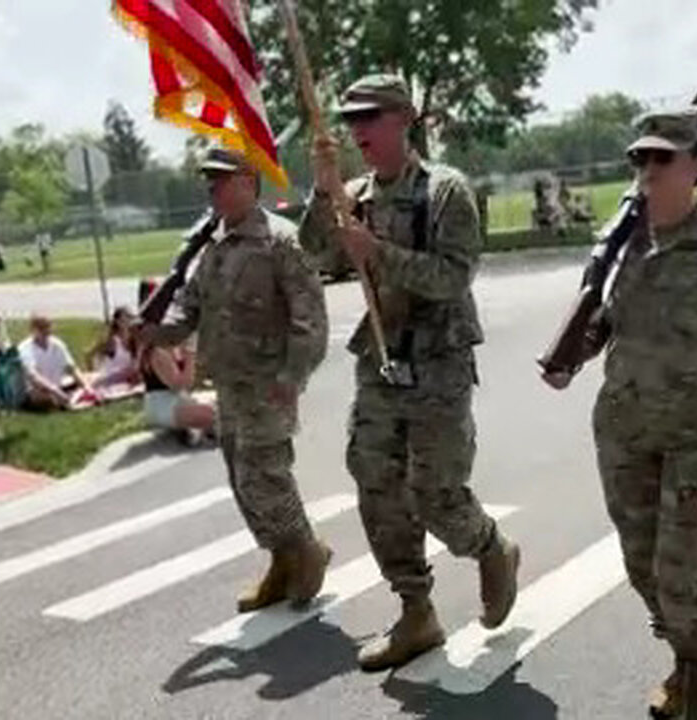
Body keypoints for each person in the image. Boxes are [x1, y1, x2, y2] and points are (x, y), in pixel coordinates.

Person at [542, 112, 697, 719]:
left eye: (662, 159)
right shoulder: (625, 243)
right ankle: (685, 658)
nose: (648, 171)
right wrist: (574, 353)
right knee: (642, 565)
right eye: (640, 161)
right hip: (626, 431)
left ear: (696, 167)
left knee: (683, 569)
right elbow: (606, 318)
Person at [301, 74, 521, 671]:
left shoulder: (446, 191)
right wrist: (323, 192)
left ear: (404, 119)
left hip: (438, 361)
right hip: (380, 357)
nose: (357, 130)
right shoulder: (354, 195)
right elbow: (316, 255)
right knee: (375, 482)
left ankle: (489, 547)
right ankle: (415, 610)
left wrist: (379, 252)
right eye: (351, 120)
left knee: (436, 494)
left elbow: (453, 278)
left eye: (370, 117)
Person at [141, 144, 332, 615]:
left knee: (266, 475)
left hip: (269, 384)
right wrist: (156, 331)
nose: (213, 187)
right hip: (229, 384)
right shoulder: (211, 247)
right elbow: (191, 308)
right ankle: (281, 560)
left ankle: (306, 550)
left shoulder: (280, 242)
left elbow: (310, 321)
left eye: (223, 178)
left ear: (250, 182)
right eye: (210, 179)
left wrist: (292, 377)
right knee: (241, 480)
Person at [137, 340, 216, 445]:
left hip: (178, 399)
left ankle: (196, 429)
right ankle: (198, 431)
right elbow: (180, 385)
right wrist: (190, 357)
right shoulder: (159, 352)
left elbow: (188, 386)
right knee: (211, 414)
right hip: (163, 405)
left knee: (217, 404)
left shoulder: (175, 348)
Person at [17, 313, 93, 411]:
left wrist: (86, 387)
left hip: (59, 385)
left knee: (90, 378)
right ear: (33, 330)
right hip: (37, 390)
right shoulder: (25, 348)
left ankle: (73, 398)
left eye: (47, 327)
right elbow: (34, 377)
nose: (46, 331)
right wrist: (55, 390)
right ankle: (67, 402)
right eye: (42, 328)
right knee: (45, 399)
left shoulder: (57, 344)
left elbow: (72, 368)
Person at [89, 307, 142, 395]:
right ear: (117, 322)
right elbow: (90, 354)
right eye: (125, 318)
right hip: (111, 377)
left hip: (128, 377)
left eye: (130, 318)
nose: (128, 321)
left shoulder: (135, 339)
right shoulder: (112, 341)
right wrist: (92, 371)